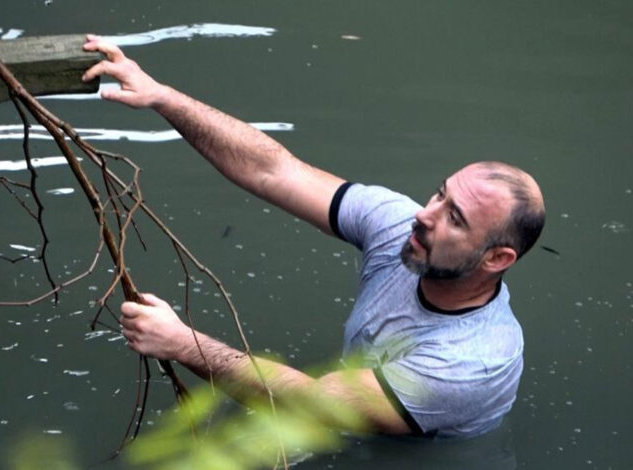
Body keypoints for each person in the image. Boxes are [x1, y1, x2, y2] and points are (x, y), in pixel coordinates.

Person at [81, 34, 545, 438]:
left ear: (497, 259)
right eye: (439, 194)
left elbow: (313, 405)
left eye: (456, 219)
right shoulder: (403, 227)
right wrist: (163, 96)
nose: (426, 215)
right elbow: (274, 171)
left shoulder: (471, 363)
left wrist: (183, 343)